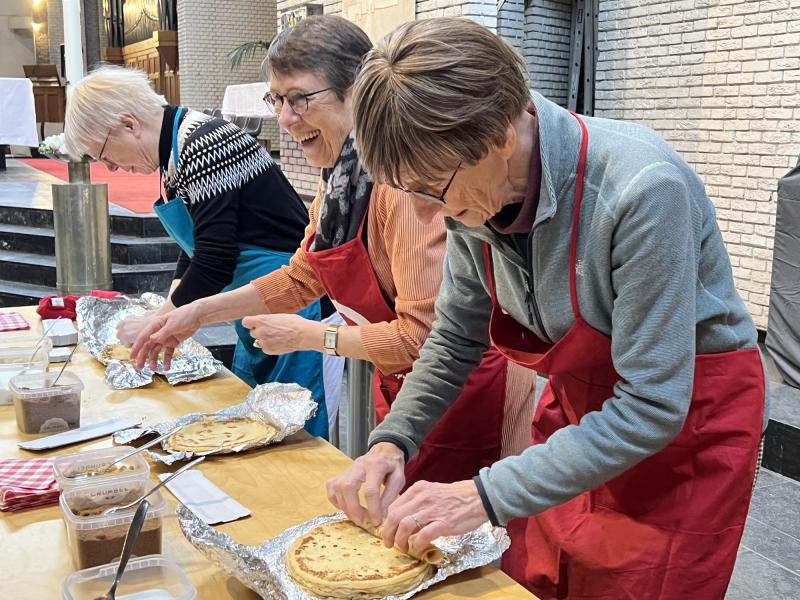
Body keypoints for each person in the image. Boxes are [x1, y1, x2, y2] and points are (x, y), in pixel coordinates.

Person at [326, 17, 767, 599]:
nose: (436, 212)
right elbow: (457, 335)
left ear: (502, 136)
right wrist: (393, 439)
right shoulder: (473, 196)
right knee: (544, 574)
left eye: (435, 187)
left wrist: (480, 494)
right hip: (585, 407)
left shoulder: (640, 189)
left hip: (685, 422)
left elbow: (654, 406)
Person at [127, 15, 537, 485]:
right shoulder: (340, 181)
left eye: (300, 98)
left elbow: (423, 341)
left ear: (356, 93)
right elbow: (301, 278)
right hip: (399, 382)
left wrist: (311, 337)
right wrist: (195, 314)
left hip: (460, 392)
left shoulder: (401, 187)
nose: (285, 117)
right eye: (276, 100)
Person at [64, 65, 331, 437]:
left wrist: (161, 322)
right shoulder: (176, 152)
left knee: (294, 421)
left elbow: (215, 261)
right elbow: (194, 247)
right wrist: (166, 311)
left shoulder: (204, 144)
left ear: (128, 123)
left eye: (104, 154)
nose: (111, 167)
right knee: (257, 416)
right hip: (251, 299)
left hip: (287, 293)